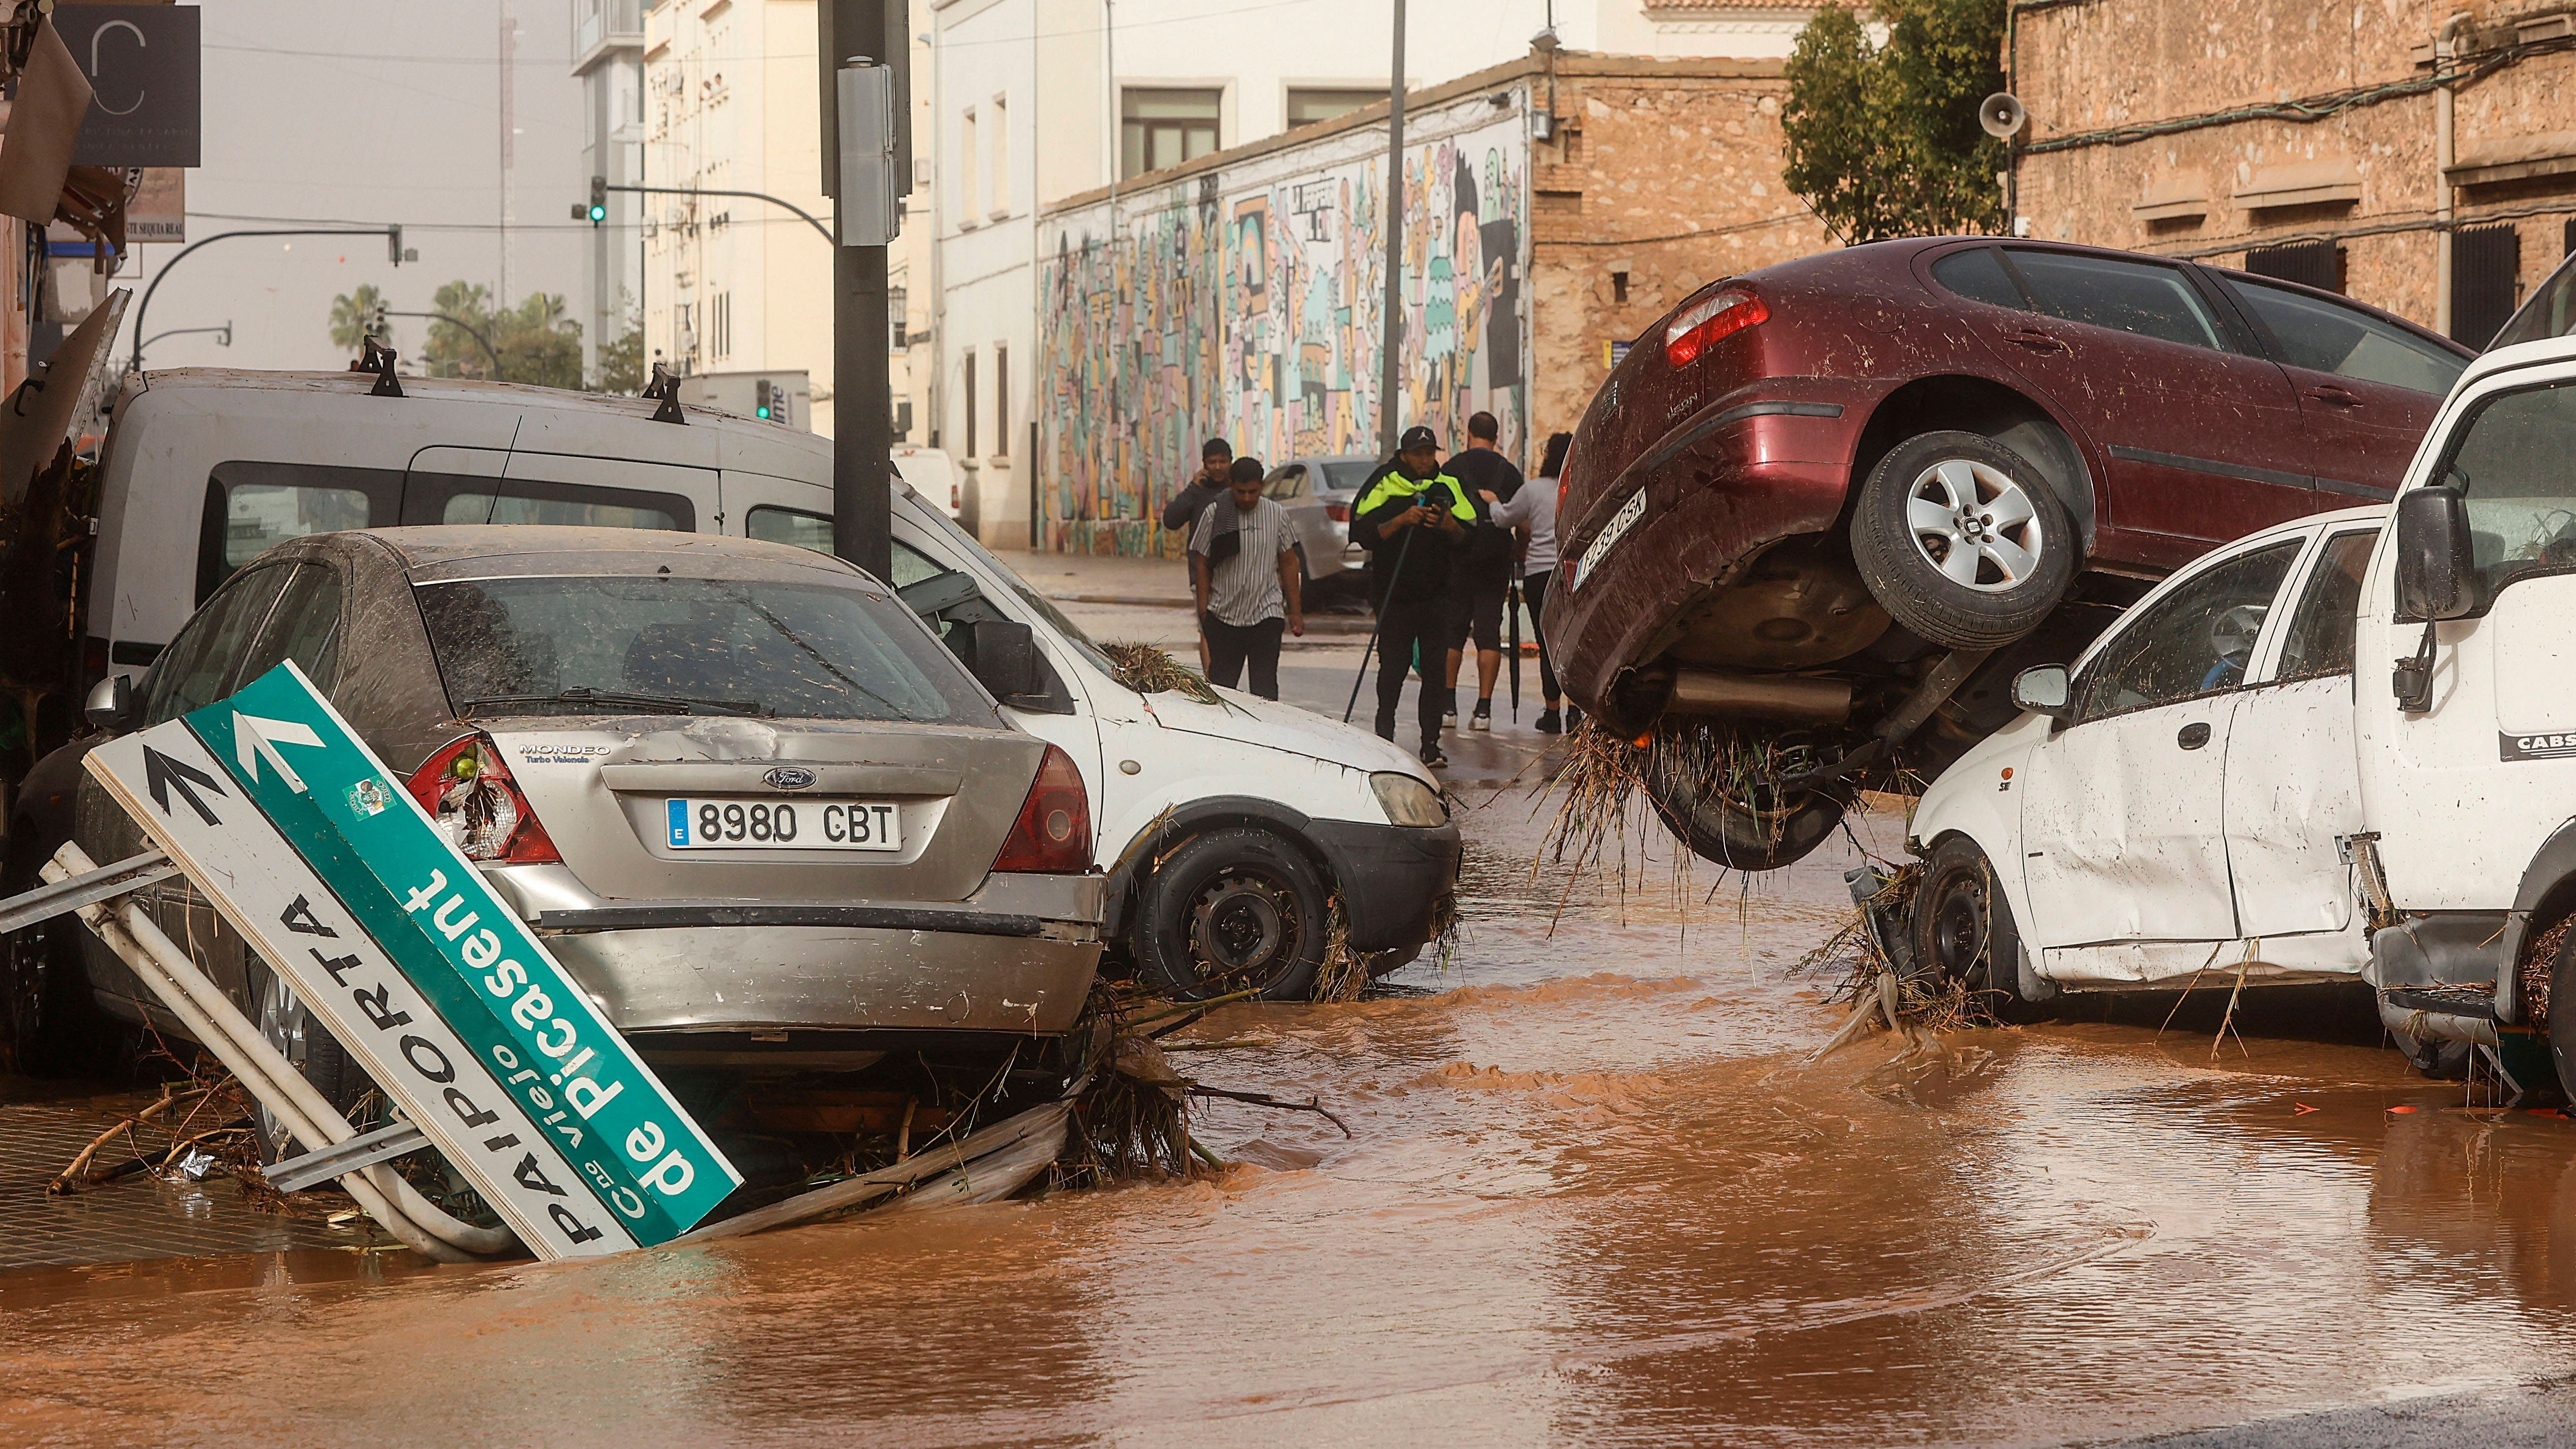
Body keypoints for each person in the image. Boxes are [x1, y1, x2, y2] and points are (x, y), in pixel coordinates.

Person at [1354, 425, 1474, 767]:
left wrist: (1449, 525)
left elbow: (1473, 535)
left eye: (1429, 453)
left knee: (1436, 673)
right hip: (1394, 596)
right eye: (1418, 454)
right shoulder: (1385, 481)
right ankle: (1384, 736)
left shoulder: (1448, 484)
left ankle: (1431, 744)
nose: (1425, 460)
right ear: (1404, 455)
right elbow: (1362, 531)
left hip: (1438, 596)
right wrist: (1402, 519)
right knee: (1392, 669)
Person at [1190, 456, 1304, 699]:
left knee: (1264, 691)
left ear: (1262, 487)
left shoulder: (1276, 515)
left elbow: (1289, 561)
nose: (1247, 498)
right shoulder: (1215, 514)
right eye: (1241, 492)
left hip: (1266, 612)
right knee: (1221, 690)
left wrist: (1295, 611)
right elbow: (1202, 563)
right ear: (1231, 486)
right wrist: (1203, 609)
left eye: (1253, 492)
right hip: (1224, 615)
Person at [1440, 410, 1523, 732]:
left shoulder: (1451, 469)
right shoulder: (1510, 472)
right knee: (1489, 632)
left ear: (1468, 433)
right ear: (1497, 436)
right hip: (1496, 559)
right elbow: (1523, 521)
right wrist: (1520, 549)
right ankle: (1484, 710)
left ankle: (1448, 706)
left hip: (1457, 559)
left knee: (1454, 631)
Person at [1491, 430, 1576, 733]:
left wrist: (1491, 502)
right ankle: (1575, 711)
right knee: (1573, 641)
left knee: (1546, 644)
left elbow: (1504, 518)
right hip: (1575, 572)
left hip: (1540, 575)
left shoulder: (1534, 489)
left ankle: (1551, 713)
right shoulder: (1581, 486)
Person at [1162, 437, 1234, 669]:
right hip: (1202, 574)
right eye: (1212, 462)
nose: (1218, 467)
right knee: (1207, 629)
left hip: (1235, 572)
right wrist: (1192, 489)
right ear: (1204, 464)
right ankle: (1213, 683)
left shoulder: (1239, 490)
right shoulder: (1198, 492)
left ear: (1230, 462)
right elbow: (1171, 520)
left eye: (1223, 461)